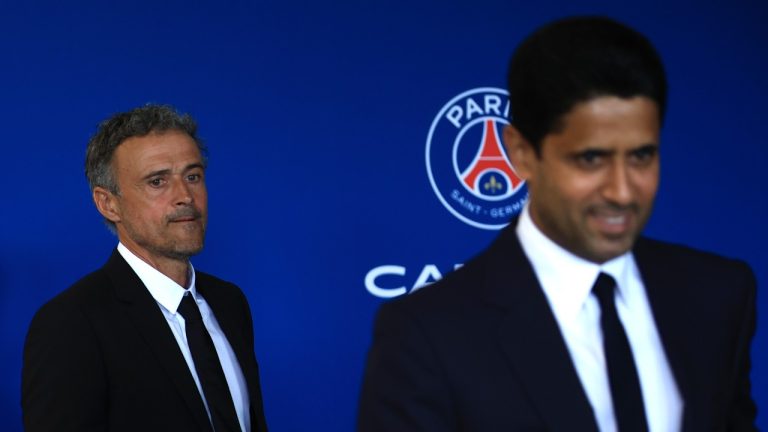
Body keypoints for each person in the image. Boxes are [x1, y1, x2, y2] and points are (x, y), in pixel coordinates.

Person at [358, 16, 757, 431]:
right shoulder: (426, 338)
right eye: (591, 159)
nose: (622, 192)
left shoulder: (719, 295)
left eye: (641, 156)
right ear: (521, 153)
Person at [22, 105, 268, 432]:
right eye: (157, 181)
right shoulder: (71, 324)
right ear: (108, 203)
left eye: (193, 176)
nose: (185, 196)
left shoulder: (229, 303)